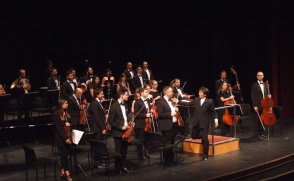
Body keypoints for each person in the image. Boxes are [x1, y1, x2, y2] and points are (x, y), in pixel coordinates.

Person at [173, 87, 217, 161]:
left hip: (204, 123)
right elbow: (188, 103)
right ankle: (204, 137)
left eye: (200, 93)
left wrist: (216, 120)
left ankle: (205, 154)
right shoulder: (196, 100)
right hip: (196, 122)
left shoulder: (209, 102)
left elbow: (213, 112)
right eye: (199, 92)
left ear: (205, 94)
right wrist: (177, 101)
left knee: (205, 139)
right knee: (193, 136)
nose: (199, 94)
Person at [108, 87, 133, 175]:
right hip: (118, 132)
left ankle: (123, 166)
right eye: (127, 95)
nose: (128, 96)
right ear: (121, 95)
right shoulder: (114, 106)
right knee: (118, 151)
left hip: (126, 132)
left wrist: (129, 123)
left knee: (124, 151)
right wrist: (120, 127)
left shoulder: (125, 105)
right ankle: (117, 169)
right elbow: (110, 121)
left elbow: (125, 118)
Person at [157, 86, 178, 165]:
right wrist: (171, 113)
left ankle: (171, 158)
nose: (172, 93)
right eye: (171, 91)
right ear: (166, 93)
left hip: (173, 124)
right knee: (167, 143)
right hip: (166, 125)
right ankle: (167, 160)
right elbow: (160, 114)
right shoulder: (160, 102)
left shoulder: (171, 101)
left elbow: (173, 110)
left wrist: (175, 108)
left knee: (172, 142)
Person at [53, 99, 73, 181]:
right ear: (61, 104)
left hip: (67, 136)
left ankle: (62, 172)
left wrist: (69, 124)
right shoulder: (56, 114)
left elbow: (69, 125)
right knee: (64, 155)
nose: (67, 104)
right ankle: (67, 173)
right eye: (66, 103)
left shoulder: (67, 114)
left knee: (64, 155)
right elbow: (59, 129)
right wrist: (65, 139)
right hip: (61, 138)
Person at [250, 71, 271, 139]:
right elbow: (253, 96)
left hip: (264, 106)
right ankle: (257, 134)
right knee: (257, 120)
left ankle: (261, 133)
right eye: (258, 75)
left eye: (261, 75)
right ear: (257, 76)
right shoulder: (254, 85)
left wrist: (269, 96)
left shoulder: (265, 85)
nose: (260, 76)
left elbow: (266, 95)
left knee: (263, 120)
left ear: (263, 76)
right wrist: (255, 105)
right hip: (258, 105)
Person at [134, 87, 151, 160]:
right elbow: (136, 114)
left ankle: (146, 152)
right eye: (146, 92)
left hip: (147, 123)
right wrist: (145, 115)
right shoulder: (138, 102)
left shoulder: (147, 101)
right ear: (141, 93)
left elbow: (147, 111)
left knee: (146, 139)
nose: (147, 93)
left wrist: (150, 112)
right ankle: (140, 155)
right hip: (140, 123)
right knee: (140, 139)